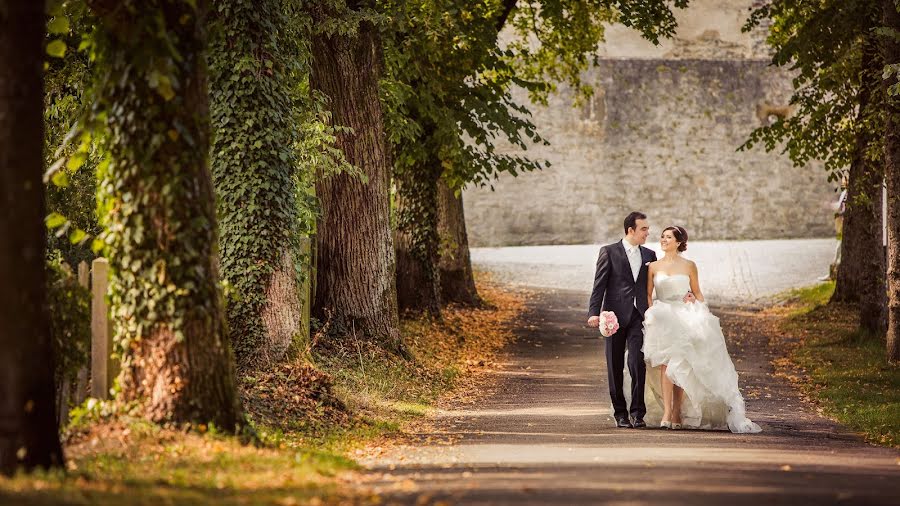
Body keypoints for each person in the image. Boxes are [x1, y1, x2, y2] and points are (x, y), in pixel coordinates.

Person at [642, 226, 762, 433]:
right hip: (662, 316)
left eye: (668, 237)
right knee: (666, 363)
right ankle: (667, 413)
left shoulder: (689, 265)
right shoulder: (653, 266)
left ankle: (678, 412)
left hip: (684, 315)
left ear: (678, 242)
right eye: (662, 236)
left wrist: (695, 302)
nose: (663, 239)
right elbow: (648, 294)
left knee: (681, 364)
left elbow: (697, 292)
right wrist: (651, 314)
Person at [586, 212, 657, 428]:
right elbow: (599, 285)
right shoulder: (609, 252)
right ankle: (620, 413)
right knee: (614, 364)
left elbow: (658, 284)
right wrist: (594, 312)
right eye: (643, 229)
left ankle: (638, 413)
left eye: (647, 228)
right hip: (614, 316)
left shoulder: (650, 255)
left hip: (639, 316)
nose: (648, 232)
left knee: (637, 362)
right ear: (630, 230)